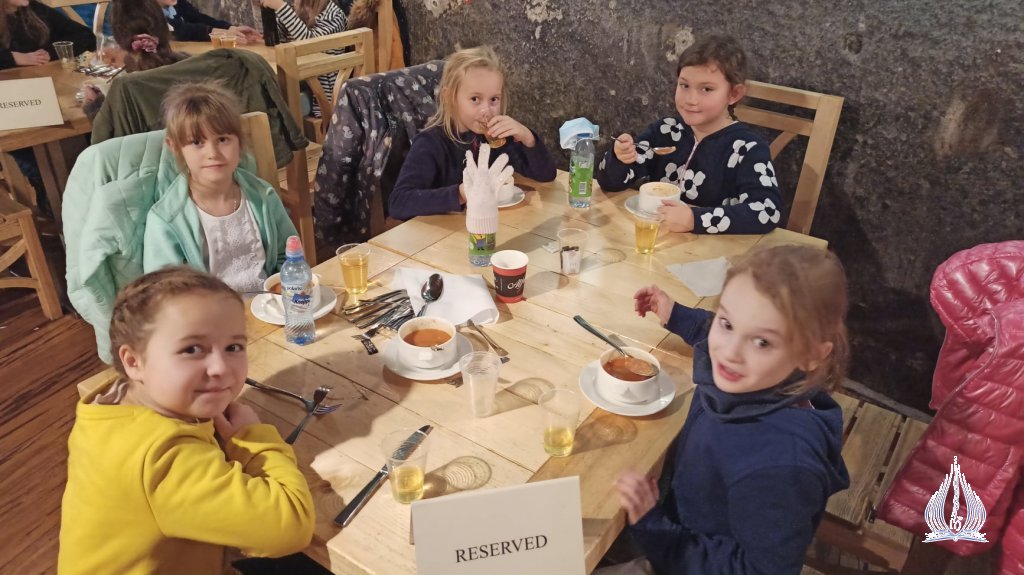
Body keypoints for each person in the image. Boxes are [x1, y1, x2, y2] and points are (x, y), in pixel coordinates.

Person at [57, 266, 315, 575]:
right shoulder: (162, 456)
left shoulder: (113, 405)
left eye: (233, 347)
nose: (220, 367)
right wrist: (252, 436)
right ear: (133, 362)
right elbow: (291, 527)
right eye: (192, 349)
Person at [614, 245, 850, 575]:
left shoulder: (781, 467)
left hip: (683, 555)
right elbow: (724, 328)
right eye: (727, 323)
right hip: (678, 516)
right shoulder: (759, 377)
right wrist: (676, 315)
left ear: (810, 355)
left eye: (762, 343)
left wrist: (656, 530)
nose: (729, 353)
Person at [596, 35, 784, 235]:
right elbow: (610, 183)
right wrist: (620, 158)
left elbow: (767, 211)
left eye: (707, 89)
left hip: (714, 251)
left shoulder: (747, 149)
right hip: (656, 241)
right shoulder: (666, 131)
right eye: (684, 85)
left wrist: (695, 220)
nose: (691, 99)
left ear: (733, 94)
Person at [144, 81, 298, 292]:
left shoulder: (263, 196)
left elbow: (288, 255)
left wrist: (283, 293)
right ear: (175, 147)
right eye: (197, 142)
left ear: (239, 141)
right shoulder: (166, 220)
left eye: (223, 139)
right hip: (207, 311)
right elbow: (163, 292)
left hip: (269, 304)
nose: (213, 153)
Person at [388, 45, 557, 221]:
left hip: (488, 225)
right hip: (443, 232)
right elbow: (398, 203)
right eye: (475, 99)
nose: (486, 110)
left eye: (494, 99)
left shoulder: (494, 138)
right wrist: (462, 193)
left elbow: (546, 175)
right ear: (449, 97)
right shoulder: (430, 143)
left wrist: (528, 138)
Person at [81, 0, 189, 119]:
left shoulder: (125, 87)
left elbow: (111, 128)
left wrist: (92, 105)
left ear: (118, 35)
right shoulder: (188, 63)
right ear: (163, 24)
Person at [260, 0, 346, 117]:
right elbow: (278, 39)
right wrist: (261, 36)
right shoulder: (295, 9)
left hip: (320, 94)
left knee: (270, 104)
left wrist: (281, 7)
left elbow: (308, 44)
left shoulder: (334, 15)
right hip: (296, 80)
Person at [0, 0, 94, 69]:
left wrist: (47, 53)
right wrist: (13, 58)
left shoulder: (35, 9)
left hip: (41, 78)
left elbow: (85, 35)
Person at [158, 0, 260, 44]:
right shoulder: (149, 13)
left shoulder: (177, 3)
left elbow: (198, 17)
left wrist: (230, 28)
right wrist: (220, 33)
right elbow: (181, 30)